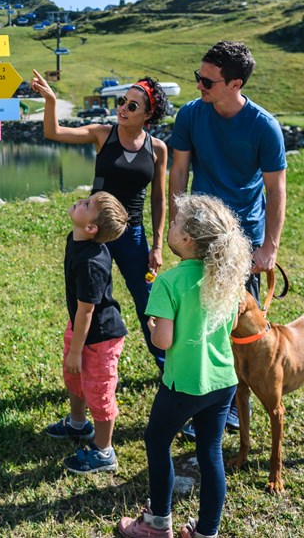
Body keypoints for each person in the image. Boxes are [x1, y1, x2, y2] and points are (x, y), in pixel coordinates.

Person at [115, 194, 252, 538]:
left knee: (156, 440)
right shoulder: (227, 277)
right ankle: (207, 532)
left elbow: (162, 341)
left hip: (183, 385)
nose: (170, 226)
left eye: (175, 223)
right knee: (210, 451)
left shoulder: (168, 282)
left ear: (187, 239)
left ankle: (158, 523)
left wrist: (151, 326)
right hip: (222, 383)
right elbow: (232, 323)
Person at [168, 40, 286, 431]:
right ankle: (199, 394)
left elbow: (276, 189)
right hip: (199, 232)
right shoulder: (190, 115)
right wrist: (177, 220)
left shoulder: (263, 126)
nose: (199, 85)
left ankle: (232, 403)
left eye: (207, 80)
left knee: (234, 324)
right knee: (197, 315)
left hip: (243, 239)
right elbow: (179, 172)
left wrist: (269, 246)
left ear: (235, 84)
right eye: (198, 76)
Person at [30, 69, 169, 361]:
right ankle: (88, 362)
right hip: (96, 234)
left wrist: (156, 245)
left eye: (132, 105)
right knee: (91, 300)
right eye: (122, 101)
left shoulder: (157, 149)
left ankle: (165, 367)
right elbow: (53, 132)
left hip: (132, 234)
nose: (122, 108)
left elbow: (158, 198)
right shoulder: (102, 134)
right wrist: (52, 101)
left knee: (148, 301)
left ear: (148, 114)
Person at [43, 191, 130, 473]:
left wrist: (78, 350)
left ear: (91, 228)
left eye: (87, 205)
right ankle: (78, 424)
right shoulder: (77, 239)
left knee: (99, 391)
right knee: (74, 376)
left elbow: (87, 311)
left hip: (99, 339)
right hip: (81, 330)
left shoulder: (92, 262)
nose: (81, 201)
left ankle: (104, 451)